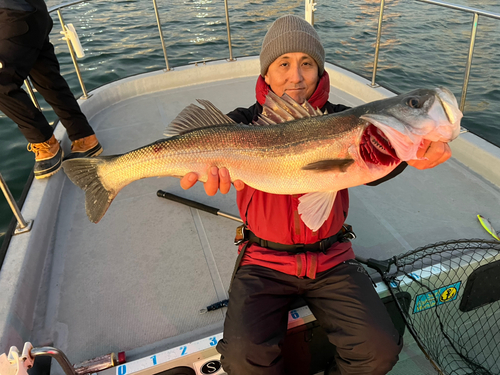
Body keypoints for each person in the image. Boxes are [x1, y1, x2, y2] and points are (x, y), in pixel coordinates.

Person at [181, 15, 451, 375]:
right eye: (284, 64)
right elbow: (203, 143)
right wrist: (206, 170)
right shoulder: (241, 124)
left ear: (320, 71)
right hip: (263, 259)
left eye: (307, 63)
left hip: (332, 257)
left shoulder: (344, 120)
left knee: (380, 349)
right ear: (266, 73)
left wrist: (412, 153)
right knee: (242, 360)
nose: (296, 76)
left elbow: (372, 166)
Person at [0, 0, 103, 179]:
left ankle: (45, 142)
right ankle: (84, 137)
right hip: (33, 12)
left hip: (13, 17)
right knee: (48, 79)